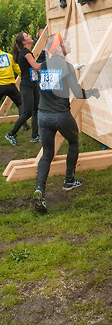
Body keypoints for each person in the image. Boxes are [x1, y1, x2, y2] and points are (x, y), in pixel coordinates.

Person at [33, 33, 100, 213]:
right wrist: (93, 92)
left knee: (47, 154)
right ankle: (69, 180)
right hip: (60, 115)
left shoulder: (44, 65)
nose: (69, 43)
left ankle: (39, 189)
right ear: (59, 48)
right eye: (65, 42)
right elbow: (78, 93)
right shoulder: (67, 66)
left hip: (43, 116)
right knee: (74, 141)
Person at [5, 32, 41, 146]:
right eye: (27, 36)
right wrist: (51, 62)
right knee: (28, 112)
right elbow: (36, 67)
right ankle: (11, 134)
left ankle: (34, 136)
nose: (30, 36)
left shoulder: (27, 52)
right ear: (24, 42)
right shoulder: (25, 53)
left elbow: (34, 66)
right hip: (27, 86)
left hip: (33, 84)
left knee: (36, 110)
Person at [0, 46, 30, 131]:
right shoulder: (8, 56)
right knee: (20, 103)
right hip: (10, 85)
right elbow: (18, 69)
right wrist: (25, 77)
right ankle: (24, 125)